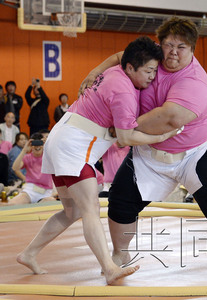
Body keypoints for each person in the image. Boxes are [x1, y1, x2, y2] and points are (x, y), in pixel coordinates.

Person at [80, 17, 207, 278]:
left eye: (181, 47)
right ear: (160, 43)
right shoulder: (152, 57)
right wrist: (93, 72)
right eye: (168, 45)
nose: (173, 52)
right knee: (120, 198)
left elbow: (169, 118)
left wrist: (123, 129)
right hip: (148, 153)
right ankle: (120, 252)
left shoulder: (196, 81)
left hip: (195, 152)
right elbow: (122, 57)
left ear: (193, 49)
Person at [17, 36, 179, 285]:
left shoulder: (115, 70)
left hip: (61, 138)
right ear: (131, 67)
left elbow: (117, 55)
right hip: (74, 148)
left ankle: (28, 253)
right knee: (91, 209)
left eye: (155, 71)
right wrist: (164, 134)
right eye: (149, 71)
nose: (152, 77)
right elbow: (125, 138)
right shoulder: (124, 91)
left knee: (71, 212)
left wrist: (93, 71)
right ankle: (109, 266)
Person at [4, 133, 56, 205]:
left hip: (46, 192)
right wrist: (24, 150)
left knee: (52, 203)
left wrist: (48, 145)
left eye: (40, 143)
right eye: (34, 143)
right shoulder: (27, 157)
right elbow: (15, 168)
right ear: (31, 145)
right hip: (30, 190)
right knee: (9, 204)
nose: (37, 146)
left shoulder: (48, 157)